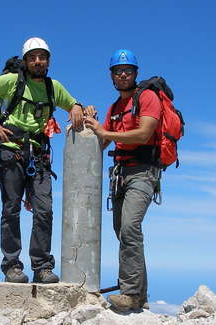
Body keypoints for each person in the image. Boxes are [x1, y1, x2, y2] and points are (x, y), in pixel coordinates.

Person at [0, 37, 85, 284]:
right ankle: (12, 265)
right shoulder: (12, 82)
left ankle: (42, 266)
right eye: (32, 57)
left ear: (48, 60)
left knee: (44, 210)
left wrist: (77, 106)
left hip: (39, 155)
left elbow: (73, 104)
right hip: (11, 151)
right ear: (25, 61)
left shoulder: (54, 87)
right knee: (11, 208)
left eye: (42, 57)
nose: (37, 61)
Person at [84, 49, 161, 311]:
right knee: (123, 231)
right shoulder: (115, 108)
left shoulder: (148, 98)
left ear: (135, 74)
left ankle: (130, 293)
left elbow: (143, 134)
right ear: (112, 77)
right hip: (120, 173)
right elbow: (104, 140)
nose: (123, 74)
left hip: (143, 172)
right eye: (118, 71)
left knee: (129, 228)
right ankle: (141, 295)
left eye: (127, 70)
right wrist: (91, 122)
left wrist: (106, 131)